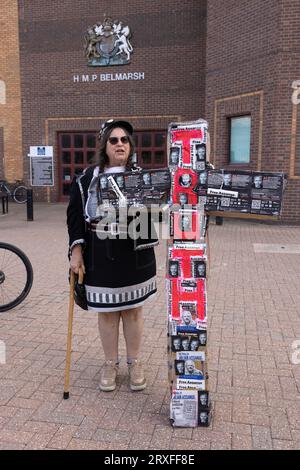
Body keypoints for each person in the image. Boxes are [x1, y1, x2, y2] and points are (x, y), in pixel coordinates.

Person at [67, 119, 158, 393]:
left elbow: (156, 216)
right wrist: (76, 251)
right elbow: (74, 218)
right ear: (104, 145)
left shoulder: (144, 178)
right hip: (100, 253)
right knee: (106, 313)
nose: (120, 144)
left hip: (135, 253)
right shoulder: (86, 178)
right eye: (114, 140)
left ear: (130, 147)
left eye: (125, 140)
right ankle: (110, 363)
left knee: (132, 311)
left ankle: (135, 363)